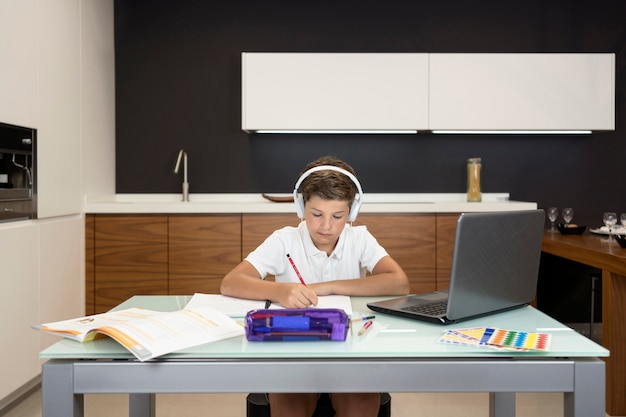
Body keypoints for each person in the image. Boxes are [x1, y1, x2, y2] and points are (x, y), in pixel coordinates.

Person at [220, 155, 410, 417]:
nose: (326, 226)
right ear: (301, 207)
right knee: (290, 401)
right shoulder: (284, 240)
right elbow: (231, 283)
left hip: (349, 348)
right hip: (294, 349)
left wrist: (329, 287)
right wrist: (280, 291)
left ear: (352, 212)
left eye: (338, 216)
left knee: (359, 401)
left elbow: (399, 283)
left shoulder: (359, 238)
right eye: (317, 214)